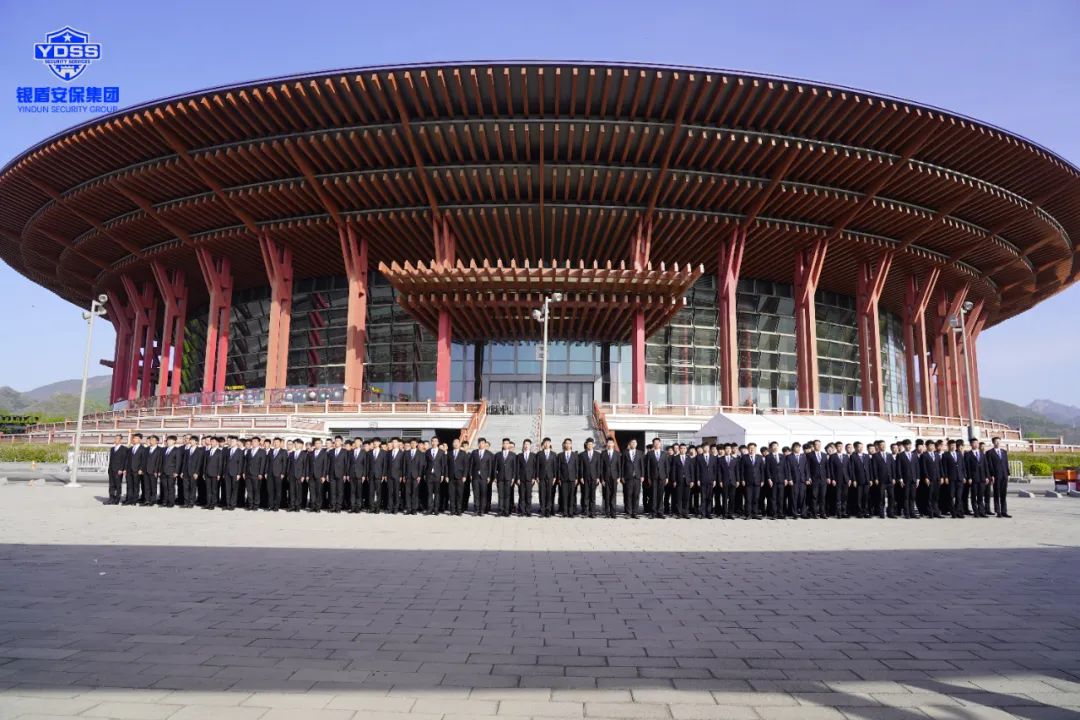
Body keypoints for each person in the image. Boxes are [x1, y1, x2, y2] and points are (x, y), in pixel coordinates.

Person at [470, 437, 494, 516]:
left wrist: (489, 476)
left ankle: (482, 510)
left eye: (483, 443)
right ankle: (476, 510)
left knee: (483, 494)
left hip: (484, 477)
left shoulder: (488, 454)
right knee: (476, 494)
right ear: (478, 444)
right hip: (475, 476)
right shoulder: (474, 452)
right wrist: (470, 474)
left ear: (485, 444)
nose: (481, 444)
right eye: (479, 443)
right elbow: (471, 464)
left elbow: (490, 466)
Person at [645, 437, 668, 520]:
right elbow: (648, 466)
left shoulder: (664, 454)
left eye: (658, 443)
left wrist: (667, 477)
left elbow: (666, 466)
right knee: (653, 495)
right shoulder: (650, 453)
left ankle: (660, 512)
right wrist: (648, 477)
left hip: (662, 477)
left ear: (660, 444)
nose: (657, 444)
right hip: (653, 477)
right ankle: (653, 512)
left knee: (661, 495)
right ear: (653, 444)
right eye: (655, 443)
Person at [988, 437, 1011, 518]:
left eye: (999, 441)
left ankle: (1004, 511)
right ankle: (998, 511)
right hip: (996, 476)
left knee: (1003, 494)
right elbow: (990, 465)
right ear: (993, 443)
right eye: (996, 441)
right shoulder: (990, 452)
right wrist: (992, 475)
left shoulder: (1004, 452)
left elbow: (1006, 463)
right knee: (997, 493)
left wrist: (1008, 474)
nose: (998, 443)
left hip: (1004, 475)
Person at [599, 437, 621, 519]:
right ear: (607, 444)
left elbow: (619, 466)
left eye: (611, 443)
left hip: (614, 477)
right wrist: (602, 479)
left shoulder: (617, 454)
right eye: (608, 443)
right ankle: (607, 513)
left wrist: (619, 477)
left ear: (613, 444)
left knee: (613, 495)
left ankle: (613, 513)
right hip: (606, 477)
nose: (610, 444)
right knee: (607, 495)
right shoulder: (603, 453)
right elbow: (601, 467)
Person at [965, 438, 988, 518]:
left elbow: (985, 466)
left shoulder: (982, 454)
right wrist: (969, 477)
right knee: (974, 495)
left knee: (981, 495)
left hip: (982, 477)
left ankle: (982, 511)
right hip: (973, 478)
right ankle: (976, 512)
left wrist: (987, 476)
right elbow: (967, 467)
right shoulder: (968, 454)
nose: (976, 444)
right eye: (974, 443)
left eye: (977, 443)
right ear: (971, 444)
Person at [556, 438, 578, 517]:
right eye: (566, 443)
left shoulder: (575, 455)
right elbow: (558, 468)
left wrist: (576, 478)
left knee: (571, 496)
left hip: (572, 478)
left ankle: (570, 512)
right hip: (563, 479)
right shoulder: (560, 455)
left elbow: (576, 467)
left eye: (569, 443)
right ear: (564, 444)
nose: (568, 445)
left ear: (571, 445)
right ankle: (565, 512)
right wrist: (559, 478)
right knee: (564, 496)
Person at [740, 442, 763, 519]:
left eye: (753, 448)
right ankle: (748, 514)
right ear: (748, 449)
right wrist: (742, 479)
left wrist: (762, 480)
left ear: (755, 449)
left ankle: (755, 513)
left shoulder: (759, 457)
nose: (751, 450)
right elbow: (742, 470)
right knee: (748, 498)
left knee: (756, 498)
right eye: (750, 448)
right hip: (747, 481)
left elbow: (762, 470)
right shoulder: (744, 457)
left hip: (757, 481)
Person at [921, 440, 943, 519]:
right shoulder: (924, 455)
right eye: (930, 445)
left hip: (937, 478)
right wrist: (926, 477)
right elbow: (923, 467)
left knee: (936, 496)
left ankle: (936, 512)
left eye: (933, 445)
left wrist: (942, 476)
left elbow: (940, 466)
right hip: (929, 479)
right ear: (927, 446)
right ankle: (930, 512)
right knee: (929, 496)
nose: (932, 447)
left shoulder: (937, 455)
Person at [494, 438, 516, 517]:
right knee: (500, 495)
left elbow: (514, 467)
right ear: (502, 445)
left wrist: (513, 478)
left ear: (509, 445)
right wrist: (495, 477)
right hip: (500, 478)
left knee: (507, 495)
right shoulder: (498, 455)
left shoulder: (513, 455)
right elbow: (495, 467)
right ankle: (500, 510)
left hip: (508, 478)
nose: (506, 445)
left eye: (507, 443)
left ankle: (506, 511)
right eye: (504, 443)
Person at [578, 438, 599, 518]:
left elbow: (598, 467)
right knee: (585, 495)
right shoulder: (582, 455)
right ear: (586, 445)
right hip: (585, 478)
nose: (590, 446)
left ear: (593, 445)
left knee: (592, 495)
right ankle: (585, 511)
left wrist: (598, 477)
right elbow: (581, 467)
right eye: (588, 444)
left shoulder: (597, 454)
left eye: (591, 444)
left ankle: (592, 512)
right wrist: (581, 477)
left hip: (594, 477)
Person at [943, 439, 965, 519]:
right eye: (951, 445)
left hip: (960, 478)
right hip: (951, 478)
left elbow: (963, 466)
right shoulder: (945, 455)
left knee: (959, 496)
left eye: (954, 445)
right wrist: (945, 477)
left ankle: (958, 511)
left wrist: (964, 476)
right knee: (951, 496)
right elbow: (944, 467)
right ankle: (953, 512)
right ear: (948, 446)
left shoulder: (959, 454)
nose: (953, 447)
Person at [694, 441, 716, 519]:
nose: (706, 448)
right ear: (702, 448)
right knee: (703, 497)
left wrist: (714, 480)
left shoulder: (713, 457)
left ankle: (708, 513)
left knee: (709, 497)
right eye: (704, 447)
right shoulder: (699, 457)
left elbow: (715, 469)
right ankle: (703, 513)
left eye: (707, 447)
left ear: (709, 448)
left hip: (711, 480)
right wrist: (698, 479)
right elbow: (697, 469)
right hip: (702, 479)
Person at [622, 438, 643, 519]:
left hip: (637, 477)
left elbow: (642, 465)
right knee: (628, 495)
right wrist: (622, 476)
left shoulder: (640, 453)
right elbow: (622, 465)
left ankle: (635, 513)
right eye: (632, 442)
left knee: (636, 495)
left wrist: (642, 475)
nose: (633, 444)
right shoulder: (625, 452)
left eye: (635, 442)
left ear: (636, 444)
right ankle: (628, 513)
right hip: (628, 477)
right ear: (629, 444)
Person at [764, 441, 785, 519]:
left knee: (781, 497)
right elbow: (767, 469)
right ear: (771, 448)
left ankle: (780, 513)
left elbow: (785, 468)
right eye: (773, 446)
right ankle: (774, 513)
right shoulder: (768, 456)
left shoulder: (782, 456)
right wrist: (769, 479)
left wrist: (786, 478)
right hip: (773, 480)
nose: (775, 447)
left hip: (781, 480)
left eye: (776, 446)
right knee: (773, 497)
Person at [448, 437, 469, 515]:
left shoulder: (463, 453)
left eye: (457, 442)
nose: (456, 444)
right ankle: (452, 510)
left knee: (459, 494)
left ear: (459, 444)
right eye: (454, 442)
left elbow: (466, 466)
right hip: (451, 476)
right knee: (452, 494)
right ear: (452, 444)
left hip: (460, 477)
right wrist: (446, 476)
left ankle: (459, 510)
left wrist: (464, 476)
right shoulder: (449, 453)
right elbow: (446, 465)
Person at [670, 443, 692, 519]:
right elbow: (673, 470)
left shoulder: (689, 458)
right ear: (679, 449)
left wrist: (692, 480)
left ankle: (685, 513)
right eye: (681, 448)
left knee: (686, 497)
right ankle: (679, 513)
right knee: (679, 498)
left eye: (684, 448)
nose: (682, 450)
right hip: (678, 480)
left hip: (687, 480)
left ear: (686, 450)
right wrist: (674, 480)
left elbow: (691, 470)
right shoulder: (675, 458)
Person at [897, 439, 918, 519]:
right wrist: (900, 478)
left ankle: (912, 513)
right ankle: (907, 513)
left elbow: (917, 467)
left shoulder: (914, 455)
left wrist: (918, 478)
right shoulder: (900, 455)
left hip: (914, 479)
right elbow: (898, 468)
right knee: (906, 496)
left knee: (913, 496)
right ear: (904, 446)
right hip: (905, 479)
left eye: (910, 445)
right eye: (907, 445)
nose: (909, 446)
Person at [536, 438, 556, 518]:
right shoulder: (539, 454)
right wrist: (537, 476)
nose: (547, 444)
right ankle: (542, 510)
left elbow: (555, 466)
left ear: (550, 444)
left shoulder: (553, 454)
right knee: (542, 494)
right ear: (543, 444)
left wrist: (555, 476)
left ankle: (548, 510)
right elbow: (537, 465)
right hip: (541, 476)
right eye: (545, 443)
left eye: (548, 443)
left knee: (549, 494)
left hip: (550, 476)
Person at [107, 434, 129, 505]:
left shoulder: (124, 449)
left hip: (118, 470)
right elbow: (111, 460)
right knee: (111, 485)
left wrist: (122, 469)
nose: (116, 440)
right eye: (115, 438)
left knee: (118, 485)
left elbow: (125, 460)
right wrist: (109, 469)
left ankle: (117, 499)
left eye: (117, 438)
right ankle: (111, 498)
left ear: (120, 440)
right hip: (111, 470)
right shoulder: (112, 449)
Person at [517, 439, 537, 516]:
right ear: (523, 445)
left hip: (530, 478)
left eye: (528, 444)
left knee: (528, 495)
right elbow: (517, 468)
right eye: (525, 444)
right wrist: (518, 478)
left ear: (530, 446)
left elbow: (535, 467)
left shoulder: (533, 455)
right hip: (521, 479)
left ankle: (528, 511)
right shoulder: (519, 456)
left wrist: (534, 477)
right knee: (522, 495)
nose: (526, 446)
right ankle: (522, 511)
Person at [160, 435, 182, 508]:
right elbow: (161, 461)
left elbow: (178, 462)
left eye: (170, 440)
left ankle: (171, 502)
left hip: (171, 472)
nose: (168, 441)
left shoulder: (177, 450)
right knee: (165, 487)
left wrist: (176, 472)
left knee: (171, 487)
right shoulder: (164, 449)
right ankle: (165, 501)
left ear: (174, 441)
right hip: (163, 472)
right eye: (168, 440)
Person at [203, 436, 224, 510]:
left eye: (213, 441)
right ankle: (208, 503)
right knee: (208, 489)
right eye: (211, 441)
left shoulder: (219, 452)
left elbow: (220, 464)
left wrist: (219, 474)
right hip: (207, 473)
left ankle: (213, 504)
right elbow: (205, 463)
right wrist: (204, 473)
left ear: (217, 443)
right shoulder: (207, 452)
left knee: (214, 490)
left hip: (215, 474)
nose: (212, 443)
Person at [308, 438, 328, 513]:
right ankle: (312, 506)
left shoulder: (324, 453)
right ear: (314, 444)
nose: (317, 445)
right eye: (316, 443)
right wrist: (307, 475)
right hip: (311, 475)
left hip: (319, 475)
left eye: (319, 443)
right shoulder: (311, 453)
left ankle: (318, 507)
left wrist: (323, 476)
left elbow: (325, 466)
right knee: (312, 492)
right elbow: (308, 465)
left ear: (321, 444)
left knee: (319, 492)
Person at [144, 435, 163, 506]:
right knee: (147, 486)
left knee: (153, 486)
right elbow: (143, 460)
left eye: (153, 440)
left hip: (154, 471)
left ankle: (153, 500)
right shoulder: (146, 449)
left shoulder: (160, 450)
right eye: (150, 439)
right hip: (146, 471)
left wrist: (157, 471)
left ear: (157, 441)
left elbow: (159, 461)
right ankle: (147, 500)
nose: (151, 441)